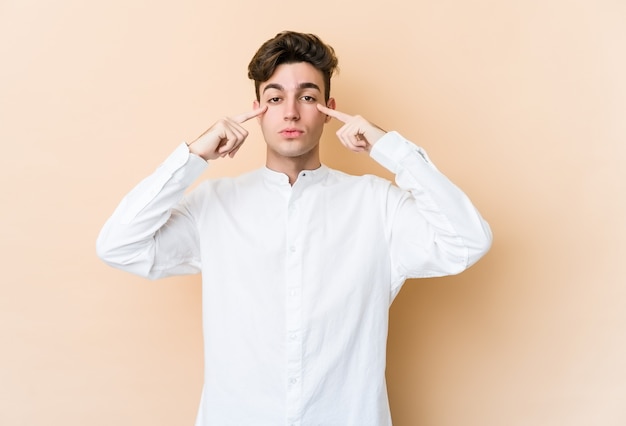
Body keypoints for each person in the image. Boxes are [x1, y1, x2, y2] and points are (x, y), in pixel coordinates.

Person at [97, 30, 492, 426]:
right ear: (257, 110)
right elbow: (119, 245)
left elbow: (467, 241)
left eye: (306, 97)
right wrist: (193, 156)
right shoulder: (214, 205)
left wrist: (390, 148)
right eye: (274, 98)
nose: (290, 112)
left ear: (328, 108)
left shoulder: (377, 205)